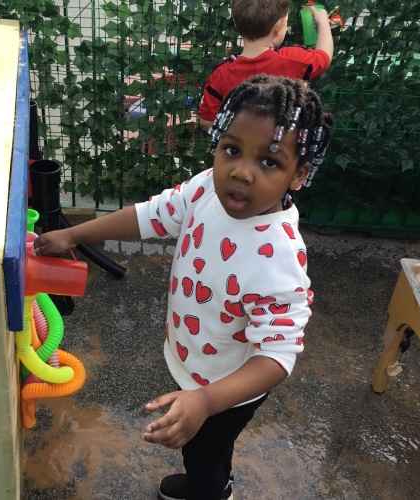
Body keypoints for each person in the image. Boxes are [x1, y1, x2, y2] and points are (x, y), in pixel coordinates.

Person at [32, 74, 334, 500]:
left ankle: (210, 490)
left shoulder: (279, 257)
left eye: (269, 162)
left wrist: (206, 401)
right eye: (232, 150)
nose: (241, 172)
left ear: (298, 174)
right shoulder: (206, 189)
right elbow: (151, 215)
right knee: (207, 449)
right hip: (193, 364)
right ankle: (213, 482)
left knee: (203, 454)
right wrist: (72, 235)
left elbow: (278, 355)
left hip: (228, 390)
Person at [198, 0, 334, 131]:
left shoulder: (221, 73)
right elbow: (324, 57)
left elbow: (206, 121)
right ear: (278, 27)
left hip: (240, 145)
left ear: (236, 23)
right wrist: (323, 23)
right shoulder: (293, 59)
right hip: (282, 144)